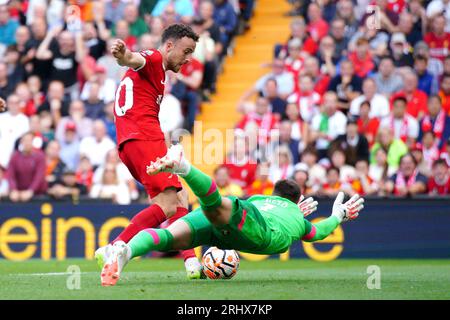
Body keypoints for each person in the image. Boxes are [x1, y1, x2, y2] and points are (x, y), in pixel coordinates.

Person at [100, 144, 364, 286]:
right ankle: (184, 166)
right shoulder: (298, 220)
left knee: (167, 237)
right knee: (216, 207)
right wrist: (338, 215)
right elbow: (319, 233)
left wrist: (294, 212)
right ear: (296, 200)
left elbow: (271, 206)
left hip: (242, 216)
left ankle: (125, 252)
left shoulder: (262, 198)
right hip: (257, 232)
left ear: (275, 192)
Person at [94, 24, 203, 279]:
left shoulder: (157, 73)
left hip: (131, 143)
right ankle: (114, 248)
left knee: (179, 198)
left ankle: (191, 264)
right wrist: (122, 55)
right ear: (168, 46)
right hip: (143, 138)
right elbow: (133, 60)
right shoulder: (154, 59)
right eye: (186, 51)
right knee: (167, 205)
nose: (188, 59)